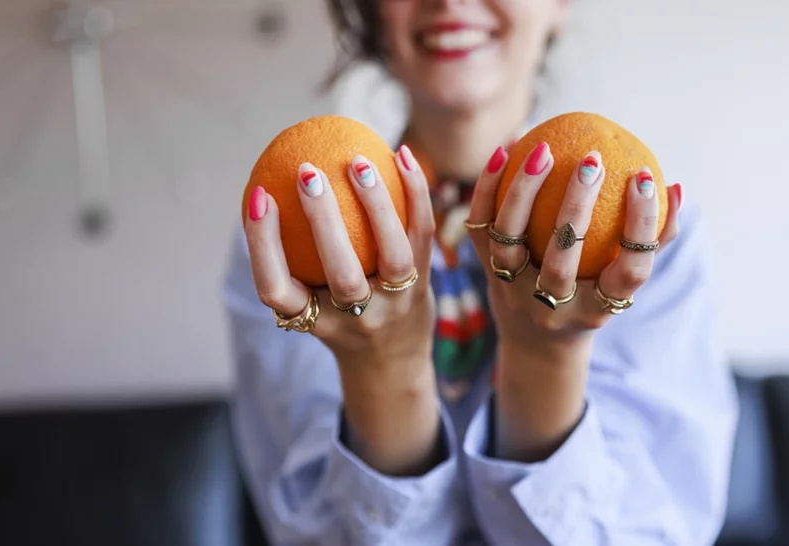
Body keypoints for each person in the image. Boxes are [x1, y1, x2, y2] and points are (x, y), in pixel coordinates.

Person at [223, 0, 739, 544]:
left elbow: (649, 530)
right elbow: (315, 532)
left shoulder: (642, 235)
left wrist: (547, 356)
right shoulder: (293, 240)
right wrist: (382, 366)